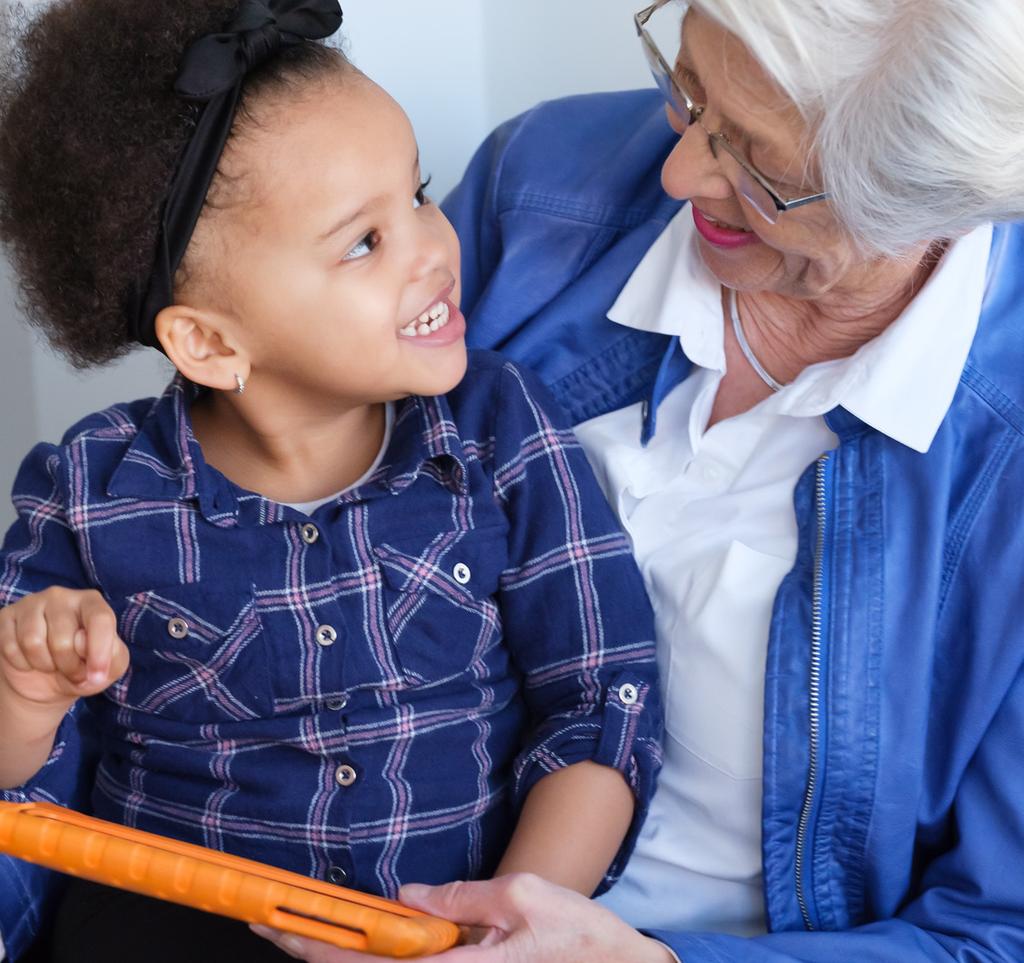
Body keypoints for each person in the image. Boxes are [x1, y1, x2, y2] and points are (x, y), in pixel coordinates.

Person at [251, 0, 1024, 960]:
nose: (680, 170)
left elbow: (998, 930)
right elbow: (251, 500)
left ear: (923, 198)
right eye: (689, 85)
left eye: (756, 157)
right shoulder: (533, 188)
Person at [0, 1, 663, 959]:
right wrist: (25, 689)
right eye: (364, 242)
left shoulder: (501, 431)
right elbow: (22, 780)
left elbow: (602, 697)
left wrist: (513, 920)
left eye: (421, 193)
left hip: (439, 934)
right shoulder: (89, 489)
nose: (435, 250)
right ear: (212, 342)